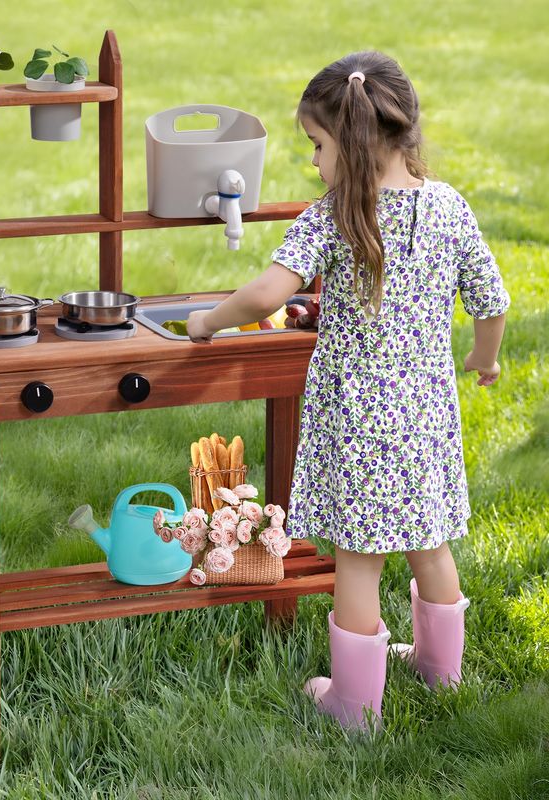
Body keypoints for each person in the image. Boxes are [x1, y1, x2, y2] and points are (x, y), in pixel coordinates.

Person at [186, 51, 510, 730]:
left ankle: (354, 707)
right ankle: (439, 674)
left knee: (359, 560)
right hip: (425, 417)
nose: (312, 161)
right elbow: (491, 299)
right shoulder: (448, 206)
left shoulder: (336, 213)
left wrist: (209, 321)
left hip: (356, 423)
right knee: (431, 542)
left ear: (353, 147)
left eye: (317, 145)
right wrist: (485, 357)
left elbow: (270, 291)